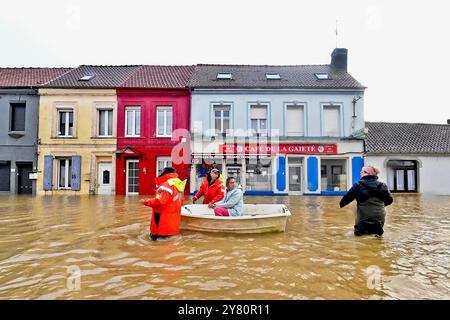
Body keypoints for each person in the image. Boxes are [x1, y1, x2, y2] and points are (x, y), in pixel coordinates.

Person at [339, 165, 393, 236]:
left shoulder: (358, 185)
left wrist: (342, 204)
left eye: (362, 171)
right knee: (377, 238)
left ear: (368, 173)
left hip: (364, 219)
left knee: (360, 239)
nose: (360, 173)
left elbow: (344, 201)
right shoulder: (383, 185)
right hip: (379, 218)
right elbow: (390, 201)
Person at [141, 167, 187, 241]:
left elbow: (159, 202)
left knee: (156, 247)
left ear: (164, 174)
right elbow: (181, 201)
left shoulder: (165, 185)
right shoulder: (178, 184)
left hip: (162, 226)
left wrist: (146, 202)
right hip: (173, 226)